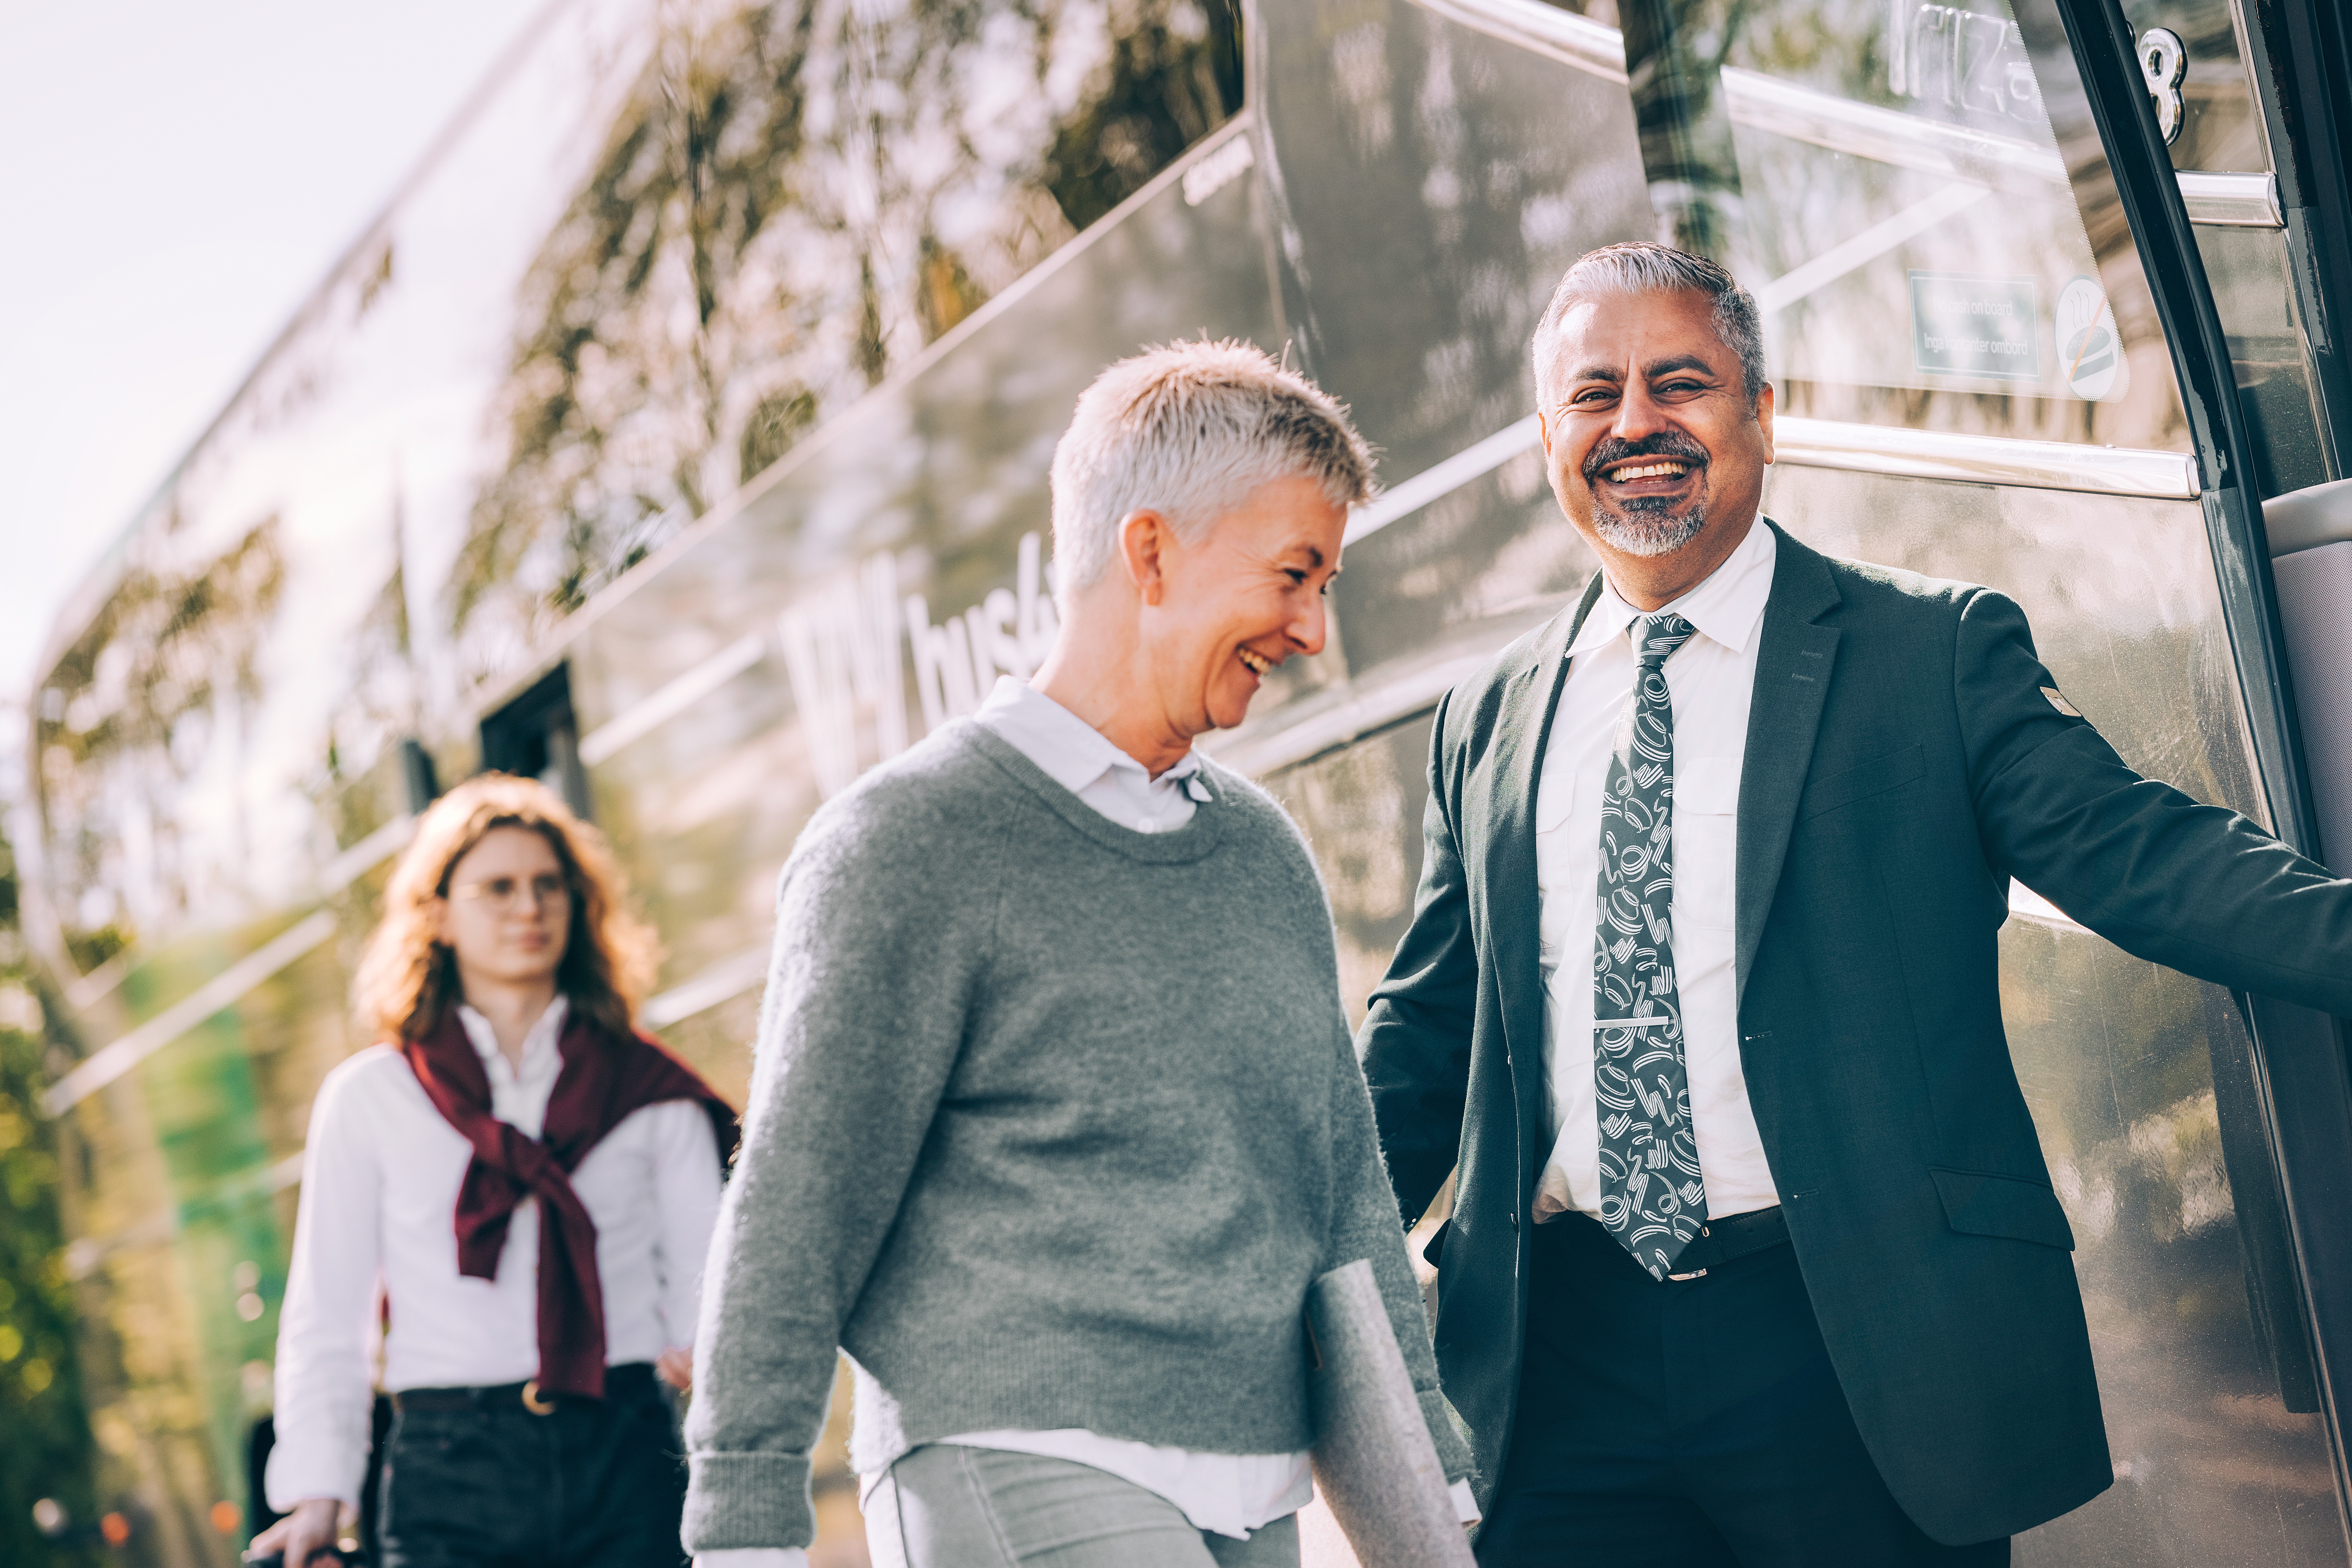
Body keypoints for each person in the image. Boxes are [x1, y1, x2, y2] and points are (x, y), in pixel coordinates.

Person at [1357, 241, 2352, 1566]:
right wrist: (1292, 1256)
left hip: (1853, 1344)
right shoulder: (1487, 715)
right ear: (1548, 434)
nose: (1636, 423)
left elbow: (2146, 854)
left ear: (1763, 412)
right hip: (1563, 1367)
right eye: (1594, 394)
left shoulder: (1928, 654)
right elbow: (1424, 1044)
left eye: (1680, 383)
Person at [681, 340, 1477, 1568]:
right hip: (1012, 1444)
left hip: (1257, 1482)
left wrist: (1434, 1459)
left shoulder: (1261, 855)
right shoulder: (909, 842)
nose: (1313, 628)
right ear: (1150, 551)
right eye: (1293, 574)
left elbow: (1344, 1192)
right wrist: (743, 1515)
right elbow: (798, 1202)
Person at [253, 774, 740, 1568]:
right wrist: (318, 1496)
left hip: (627, 1454)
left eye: (551, 886)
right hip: (449, 1470)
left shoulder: (647, 1089)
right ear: (438, 914)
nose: (530, 908)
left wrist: (706, 1350)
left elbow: (710, 1288)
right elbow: (328, 1317)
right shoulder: (372, 1098)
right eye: (500, 888)